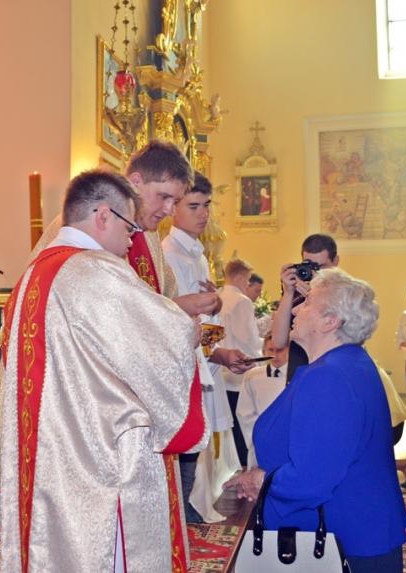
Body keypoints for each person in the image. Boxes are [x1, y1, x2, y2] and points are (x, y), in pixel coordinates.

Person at [0, 170, 206, 572]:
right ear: (103, 216)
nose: (131, 240)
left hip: (48, 460)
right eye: (129, 228)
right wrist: (188, 336)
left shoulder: (30, 277)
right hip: (99, 459)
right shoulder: (95, 271)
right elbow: (159, 344)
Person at [225, 269, 406, 572]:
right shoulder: (349, 362)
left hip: (345, 539)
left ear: (330, 321)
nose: (297, 309)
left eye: (308, 302)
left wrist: (260, 481)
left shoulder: (329, 376)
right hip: (358, 528)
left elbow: (311, 477)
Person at [161, 171, 248, 523]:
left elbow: (204, 320)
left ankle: (187, 508)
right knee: (185, 441)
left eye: (206, 205)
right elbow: (170, 314)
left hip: (198, 360)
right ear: (173, 208)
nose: (203, 214)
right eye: (193, 206)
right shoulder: (168, 254)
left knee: (196, 440)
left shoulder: (197, 255)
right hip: (179, 363)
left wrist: (221, 354)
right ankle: (179, 512)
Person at [272, 233, 339, 382]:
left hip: (331, 373)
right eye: (309, 265)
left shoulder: (346, 293)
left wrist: (317, 296)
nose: (314, 273)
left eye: (320, 267)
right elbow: (278, 341)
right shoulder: (297, 290)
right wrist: (288, 293)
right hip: (299, 371)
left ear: (335, 261)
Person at [219, 258, 262, 467]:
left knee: (233, 423)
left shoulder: (217, 296)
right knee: (244, 420)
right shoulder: (242, 301)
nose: (247, 284)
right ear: (238, 277)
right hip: (242, 368)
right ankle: (247, 465)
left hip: (222, 367)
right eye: (247, 279)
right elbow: (248, 338)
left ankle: (239, 465)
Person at [236, 334, 287, 469]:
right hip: (260, 438)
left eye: (280, 350)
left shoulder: (297, 375)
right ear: (264, 351)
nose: (275, 354)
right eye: (271, 350)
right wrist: (261, 435)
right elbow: (244, 413)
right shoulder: (252, 375)